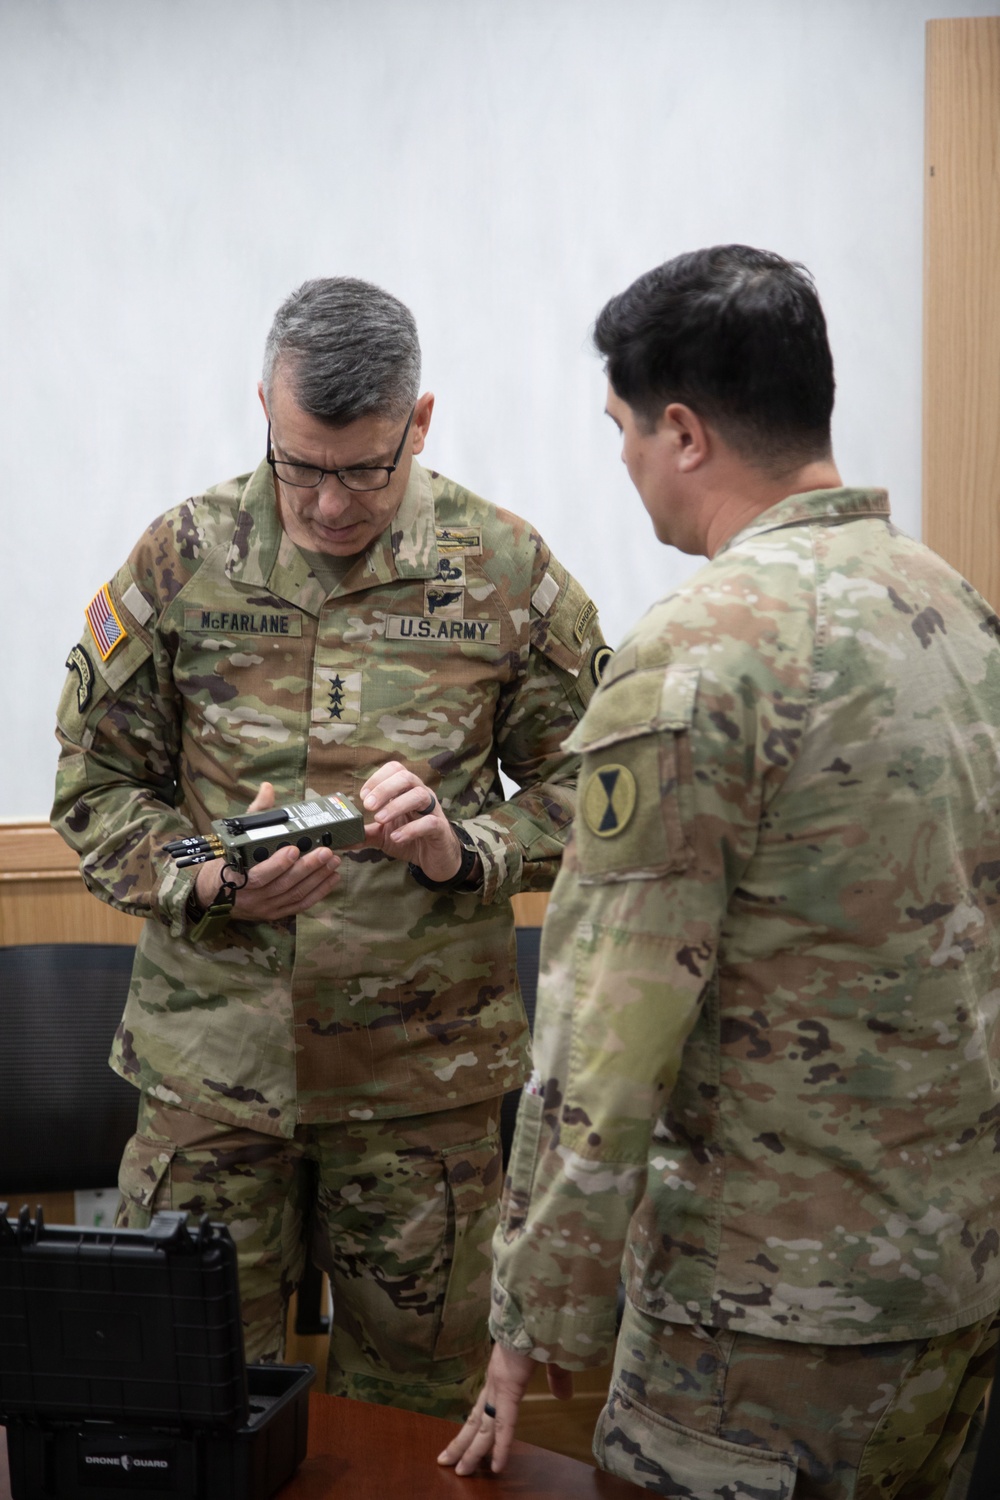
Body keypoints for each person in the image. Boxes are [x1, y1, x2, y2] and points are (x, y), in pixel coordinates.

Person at [439, 246, 1000, 1496]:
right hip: (954, 1281)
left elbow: (608, 1027)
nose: (625, 458)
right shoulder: (955, 609)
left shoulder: (697, 655)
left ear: (681, 431)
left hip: (765, 1322)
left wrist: (531, 1320)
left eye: (623, 429)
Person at [52, 276, 610, 1420]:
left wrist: (468, 850)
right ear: (264, 405)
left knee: (419, 1411)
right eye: (300, 465)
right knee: (177, 1404)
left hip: (420, 1088)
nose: (330, 505)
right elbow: (96, 782)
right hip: (214, 1076)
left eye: (365, 469)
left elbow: (591, 793)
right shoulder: (185, 557)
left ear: (420, 421)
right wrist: (203, 876)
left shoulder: (501, 573)